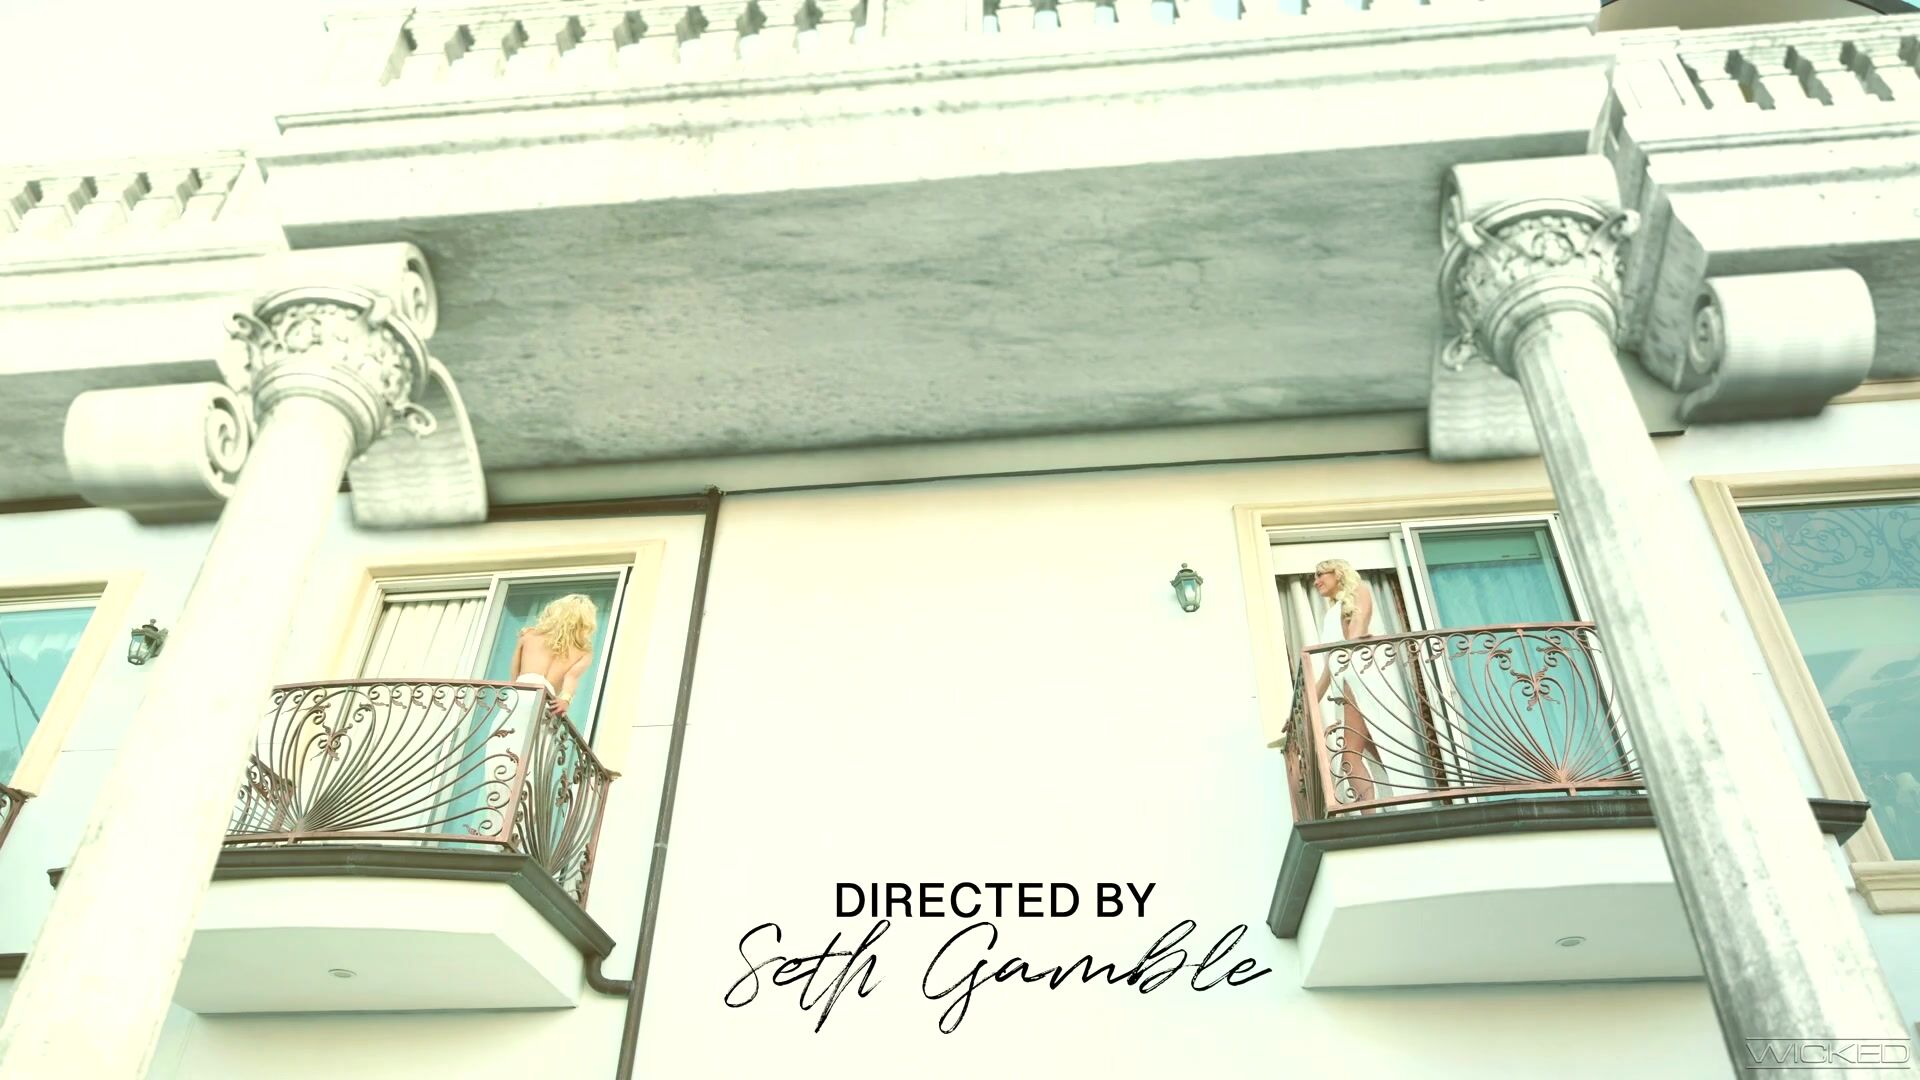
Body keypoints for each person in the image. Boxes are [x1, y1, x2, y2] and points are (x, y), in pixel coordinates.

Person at [1308, 559, 1396, 808]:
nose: (1316, 581)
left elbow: (1359, 625)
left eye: (1320, 574)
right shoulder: (1332, 614)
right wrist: (1307, 705)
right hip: (1345, 684)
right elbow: (1328, 669)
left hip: (1358, 681)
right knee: (1382, 754)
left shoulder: (1359, 590)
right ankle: (1401, 805)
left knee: (1349, 757)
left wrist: (1354, 642)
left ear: (1338, 573)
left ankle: (1370, 816)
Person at [509, 594, 598, 720]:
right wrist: (565, 700)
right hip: (547, 702)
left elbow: (514, 674)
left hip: (520, 694)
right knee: (536, 732)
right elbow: (571, 677)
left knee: (505, 731)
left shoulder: (529, 635)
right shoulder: (583, 651)